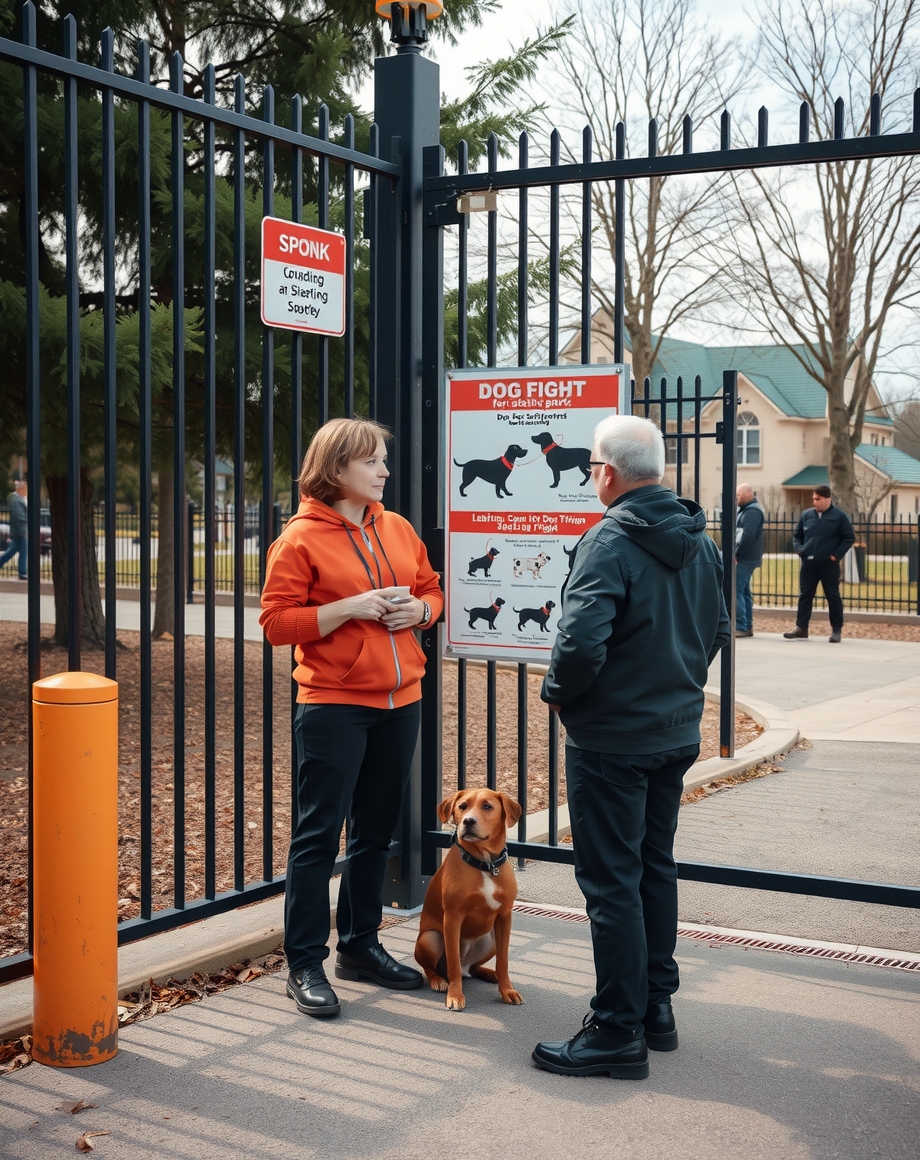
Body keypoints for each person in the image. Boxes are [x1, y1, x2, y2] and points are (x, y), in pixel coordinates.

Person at [531, 414, 730, 1080]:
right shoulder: (698, 541)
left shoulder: (607, 540)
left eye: (592, 469)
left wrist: (558, 694)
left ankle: (617, 1029)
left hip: (613, 740)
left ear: (606, 473)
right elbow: (716, 631)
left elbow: (581, 644)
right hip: (673, 731)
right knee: (653, 867)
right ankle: (655, 1008)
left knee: (612, 881)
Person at [260, 417, 443, 1019]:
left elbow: (433, 591)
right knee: (318, 838)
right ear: (337, 469)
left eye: (384, 460)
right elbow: (276, 624)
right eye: (373, 462)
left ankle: (360, 946)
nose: (385, 470)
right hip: (334, 706)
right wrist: (348, 609)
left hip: (401, 701)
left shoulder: (397, 528)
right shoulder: (299, 540)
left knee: (374, 834)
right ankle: (305, 962)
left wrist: (419, 609)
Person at [784, 485, 855, 643]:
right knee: (805, 595)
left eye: (818, 499)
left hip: (828, 564)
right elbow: (797, 536)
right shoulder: (806, 515)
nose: (814, 502)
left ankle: (836, 629)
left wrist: (836, 555)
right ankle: (801, 628)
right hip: (808, 564)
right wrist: (800, 550)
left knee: (832, 596)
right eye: (813, 499)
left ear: (828, 498)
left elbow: (849, 537)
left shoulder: (839, 517)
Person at [734, 482, 764, 637]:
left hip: (744, 559)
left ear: (747, 495)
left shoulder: (752, 512)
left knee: (736, 591)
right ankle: (746, 625)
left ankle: (741, 625)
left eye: (738, 495)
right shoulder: (746, 511)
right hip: (746, 557)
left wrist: (736, 554)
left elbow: (748, 535)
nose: (736, 498)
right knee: (743, 591)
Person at [0, 479, 28, 579]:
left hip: (19, 530)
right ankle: (22, 572)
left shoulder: (18, 499)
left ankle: (2, 562)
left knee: (13, 550)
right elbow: (18, 516)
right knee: (24, 550)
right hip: (20, 530)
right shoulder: (15, 500)